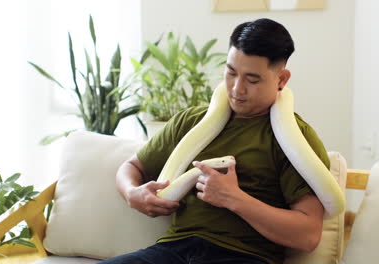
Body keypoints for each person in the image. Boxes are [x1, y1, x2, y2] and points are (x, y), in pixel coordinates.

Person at [99, 18, 330, 264]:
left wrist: (233, 198)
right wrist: (132, 193)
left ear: (282, 80)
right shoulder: (192, 121)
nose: (237, 89)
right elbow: (132, 167)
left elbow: (308, 235)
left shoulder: (295, 139)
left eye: (252, 80)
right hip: (172, 251)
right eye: (230, 73)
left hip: (242, 256)